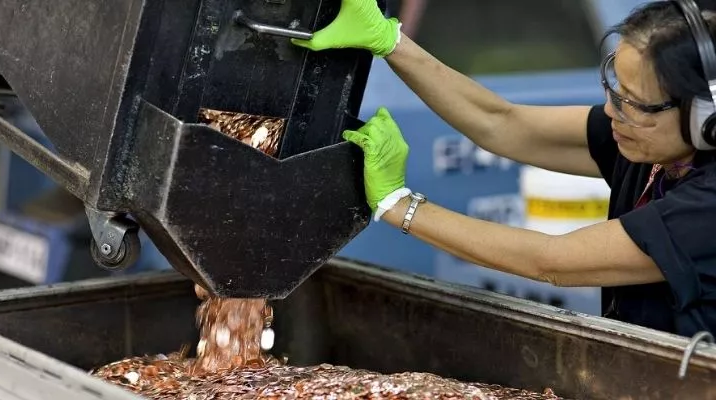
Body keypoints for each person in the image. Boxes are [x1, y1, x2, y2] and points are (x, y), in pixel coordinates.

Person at [290, 0, 716, 338]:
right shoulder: (649, 143)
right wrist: (389, 41)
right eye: (614, 87)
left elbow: (551, 261)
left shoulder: (706, 206)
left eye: (634, 103)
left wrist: (398, 205)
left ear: (704, 120)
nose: (610, 110)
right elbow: (504, 124)